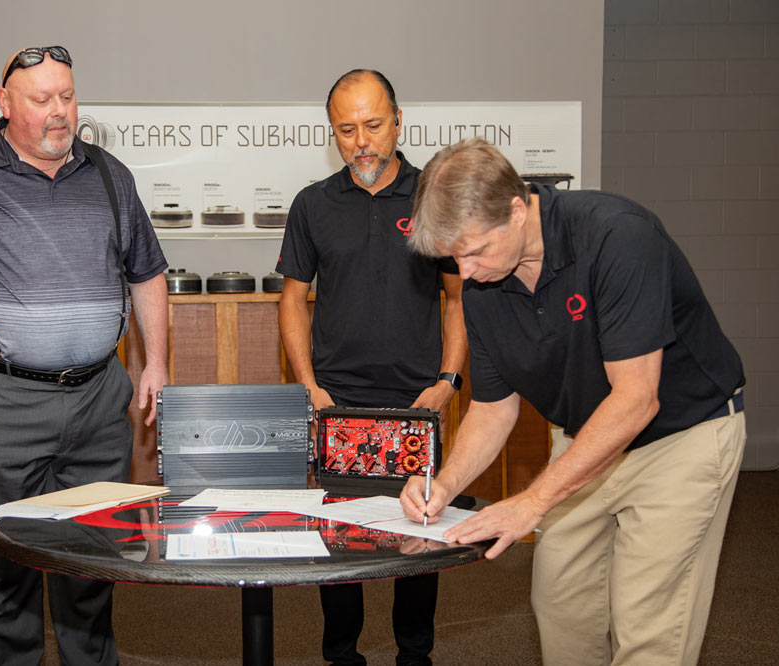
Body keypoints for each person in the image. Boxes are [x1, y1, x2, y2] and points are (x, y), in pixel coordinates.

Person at [400, 138, 746, 666]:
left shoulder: (616, 236)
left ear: (517, 211)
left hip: (680, 437)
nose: (464, 272)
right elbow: (494, 408)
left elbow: (635, 399)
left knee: (648, 625)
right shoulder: (484, 288)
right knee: (562, 608)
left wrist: (532, 502)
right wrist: (444, 484)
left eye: (472, 251)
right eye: (452, 257)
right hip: (586, 438)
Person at [0, 46, 168, 666]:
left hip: (100, 398)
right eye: (41, 100)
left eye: (67, 96)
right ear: (4, 103)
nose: (59, 112)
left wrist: (155, 362)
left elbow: (146, 273)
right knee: (3, 557)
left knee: (95, 552)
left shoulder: (109, 175)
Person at [277, 69, 467, 666]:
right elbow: (291, 300)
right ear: (333, 133)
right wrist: (309, 387)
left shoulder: (434, 197)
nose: (362, 141)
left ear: (398, 121)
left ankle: (415, 654)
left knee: (419, 535)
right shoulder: (312, 205)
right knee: (339, 544)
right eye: (346, 129)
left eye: (374, 125)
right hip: (340, 405)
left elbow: (459, 298)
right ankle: (342, 655)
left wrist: (448, 383)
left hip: (416, 404)